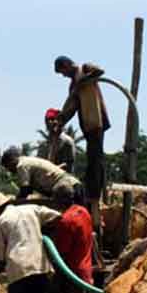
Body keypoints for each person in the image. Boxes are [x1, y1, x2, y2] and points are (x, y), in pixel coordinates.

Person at [54, 56, 109, 228]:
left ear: (68, 65)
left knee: (96, 160)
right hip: (87, 124)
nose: (64, 76)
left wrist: (81, 81)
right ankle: (92, 190)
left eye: (63, 72)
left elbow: (99, 71)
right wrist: (61, 119)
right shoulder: (73, 85)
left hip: (97, 122)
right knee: (92, 160)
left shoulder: (85, 69)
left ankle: (95, 194)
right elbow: (71, 105)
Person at [48, 201, 94, 293]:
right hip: (86, 265)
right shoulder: (83, 211)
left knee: (52, 291)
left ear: (58, 199)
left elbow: (61, 252)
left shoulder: (66, 221)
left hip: (72, 270)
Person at [0, 146, 83, 204]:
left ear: (12, 161)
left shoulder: (21, 166)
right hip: (73, 185)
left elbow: (25, 190)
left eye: (7, 166)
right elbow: (29, 190)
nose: (9, 170)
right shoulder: (27, 162)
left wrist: (14, 203)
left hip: (67, 190)